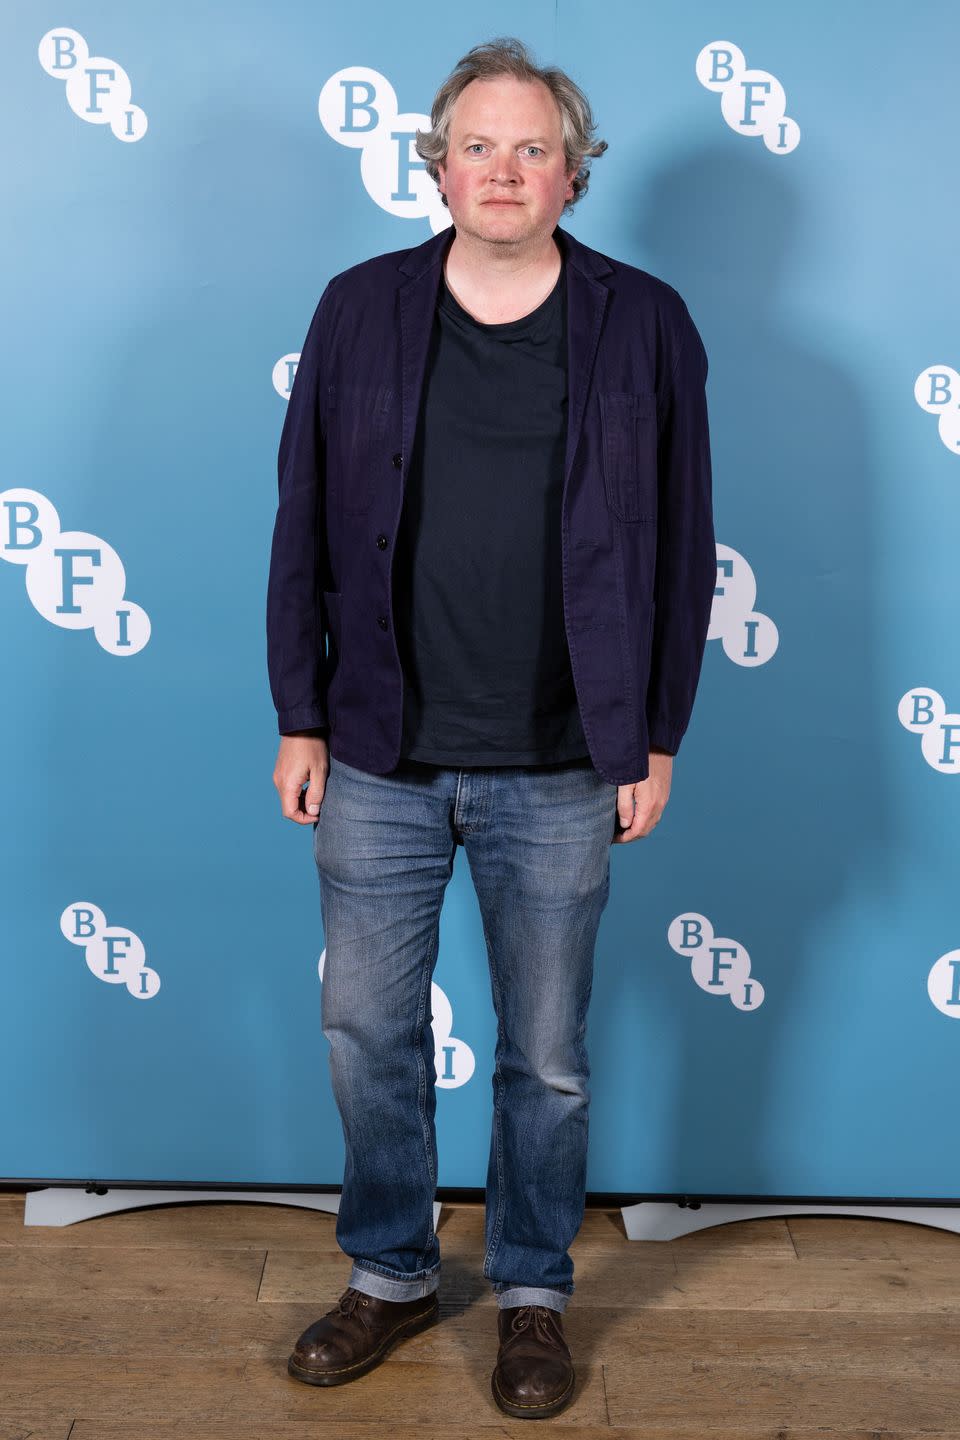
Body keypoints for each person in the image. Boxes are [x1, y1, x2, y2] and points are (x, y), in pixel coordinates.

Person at [266, 35, 715, 1420]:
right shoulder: (358, 309)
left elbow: (684, 540)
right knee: (366, 1029)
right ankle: (391, 1272)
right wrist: (299, 714)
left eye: (533, 148)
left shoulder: (645, 321)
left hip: (572, 758)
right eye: (478, 146)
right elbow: (300, 525)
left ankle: (532, 1292)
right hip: (378, 750)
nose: (504, 171)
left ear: (573, 173)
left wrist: (656, 736)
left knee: (549, 1055)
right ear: (437, 166)